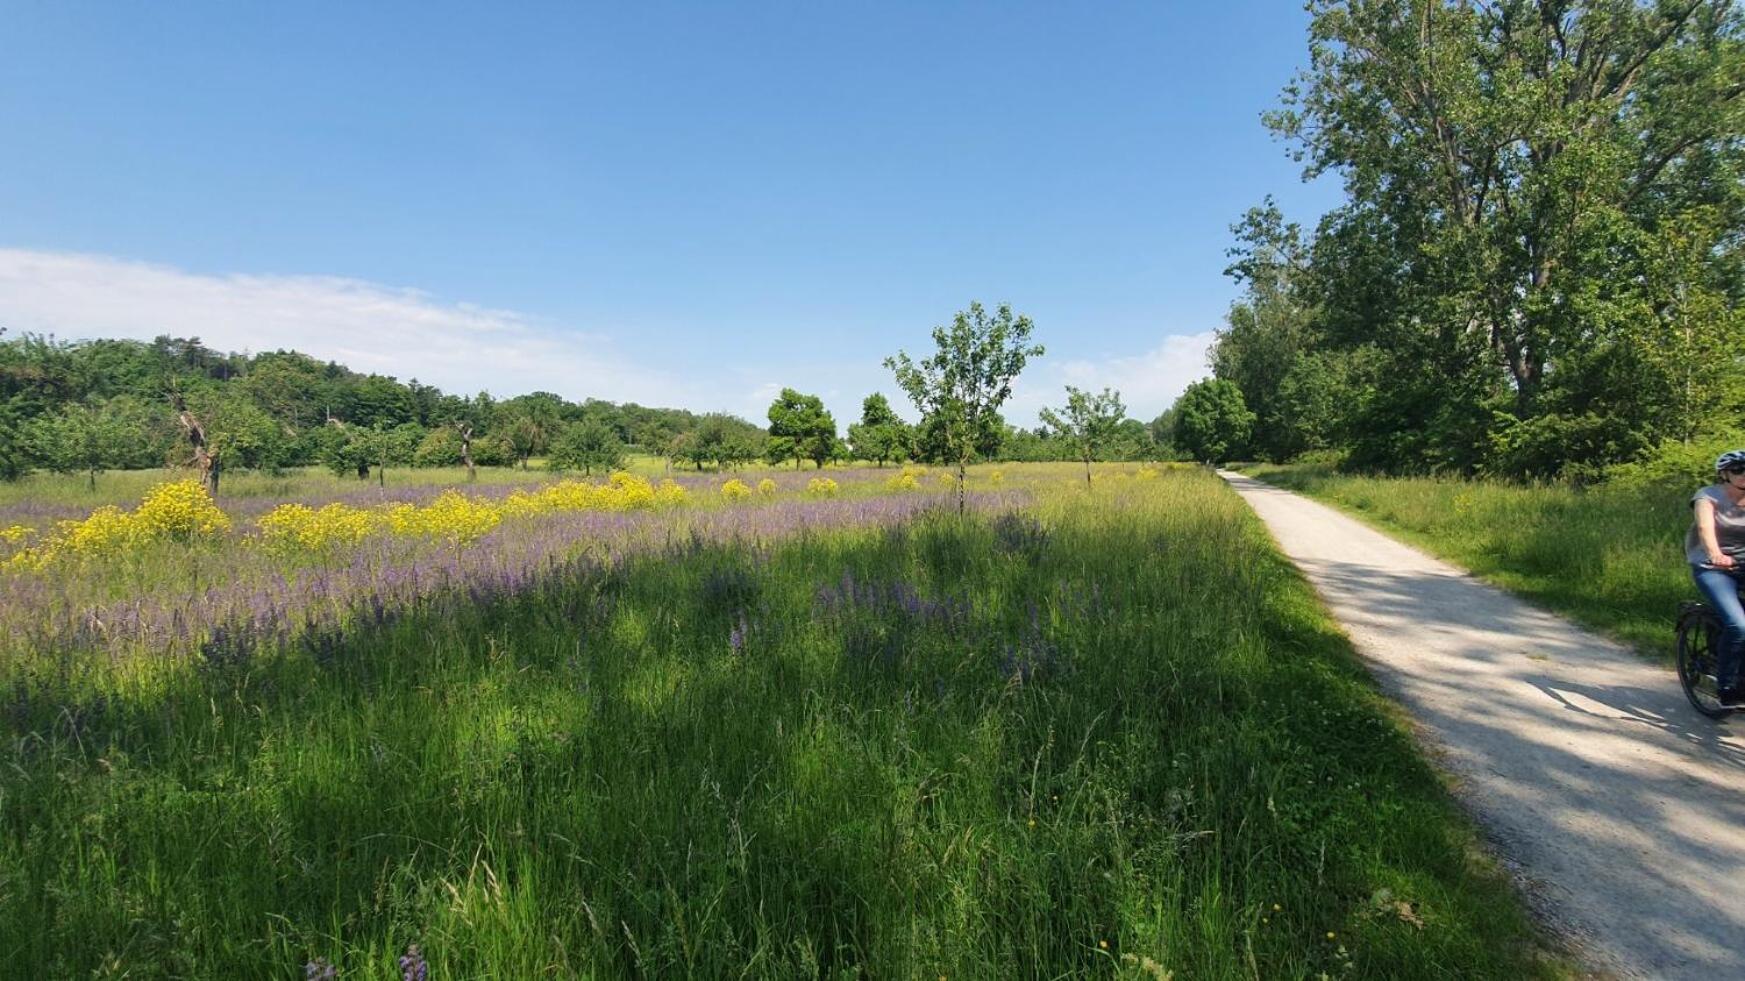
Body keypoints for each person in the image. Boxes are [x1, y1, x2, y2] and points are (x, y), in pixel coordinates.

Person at [1690, 449, 1745, 704]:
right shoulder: (1707, 496)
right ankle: (1726, 686)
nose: (1744, 475)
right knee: (1739, 625)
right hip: (1714, 568)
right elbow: (1704, 528)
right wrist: (1715, 554)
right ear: (1724, 474)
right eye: (1738, 470)